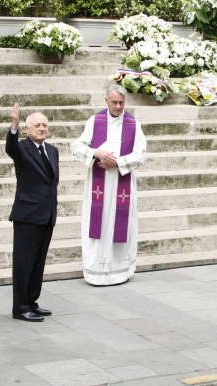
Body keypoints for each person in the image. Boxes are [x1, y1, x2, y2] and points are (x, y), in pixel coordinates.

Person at [72, 85, 146, 286]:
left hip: (122, 185)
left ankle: (119, 271)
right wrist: (96, 153)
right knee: (99, 223)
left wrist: (117, 162)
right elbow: (77, 146)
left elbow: (141, 154)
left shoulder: (133, 124)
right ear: (106, 101)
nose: (118, 106)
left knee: (120, 224)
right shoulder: (95, 121)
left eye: (122, 102)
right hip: (99, 185)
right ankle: (95, 271)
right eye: (114, 102)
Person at [6, 104, 58, 322]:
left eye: (45, 124)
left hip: (46, 214)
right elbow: (11, 149)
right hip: (27, 214)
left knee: (38, 262)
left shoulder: (53, 150)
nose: (42, 128)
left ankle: (32, 302)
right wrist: (14, 126)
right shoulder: (21, 149)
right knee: (24, 262)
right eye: (37, 125)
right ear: (28, 129)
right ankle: (20, 307)